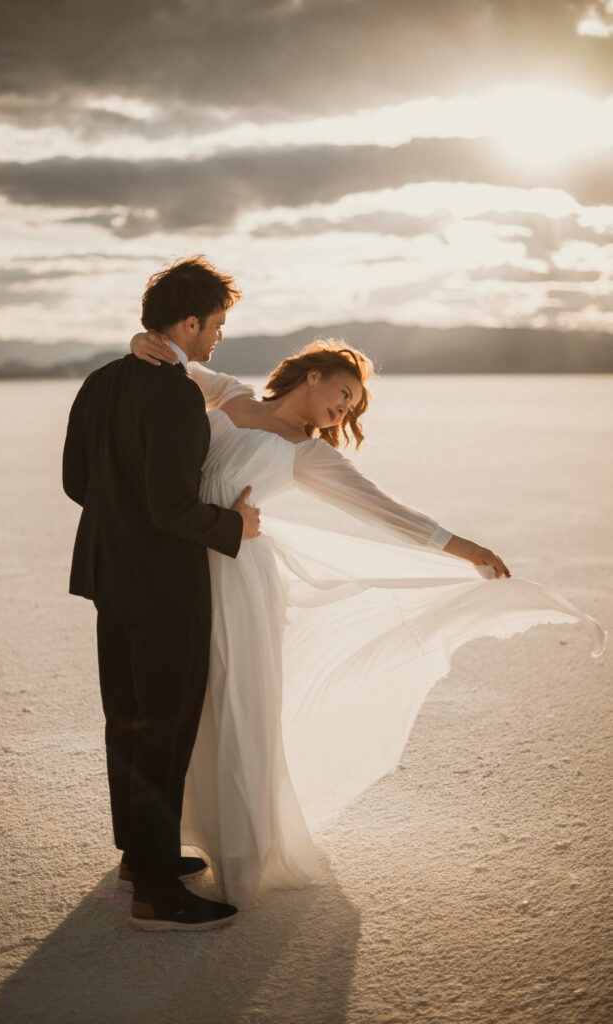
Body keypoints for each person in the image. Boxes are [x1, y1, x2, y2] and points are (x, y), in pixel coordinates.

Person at [129, 326, 605, 910]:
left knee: (234, 700)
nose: (342, 411)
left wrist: (467, 549)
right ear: (314, 374)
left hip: (238, 577)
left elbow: (387, 511)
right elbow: (170, 365)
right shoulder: (229, 394)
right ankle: (158, 846)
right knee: (179, 703)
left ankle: (235, 849)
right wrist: (139, 342)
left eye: (350, 407)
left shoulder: (309, 454)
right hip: (182, 560)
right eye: (344, 394)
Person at [62, 256, 262, 931]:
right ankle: (154, 890)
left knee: (128, 718)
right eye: (217, 325)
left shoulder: (100, 380)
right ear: (188, 321)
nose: (218, 338)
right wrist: (235, 524)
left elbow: (74, 482)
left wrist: (119, 516)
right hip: (164, 588)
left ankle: (138, 856)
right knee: (164, 728)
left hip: (107, 573)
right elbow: (173, 509)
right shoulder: (174, 394)